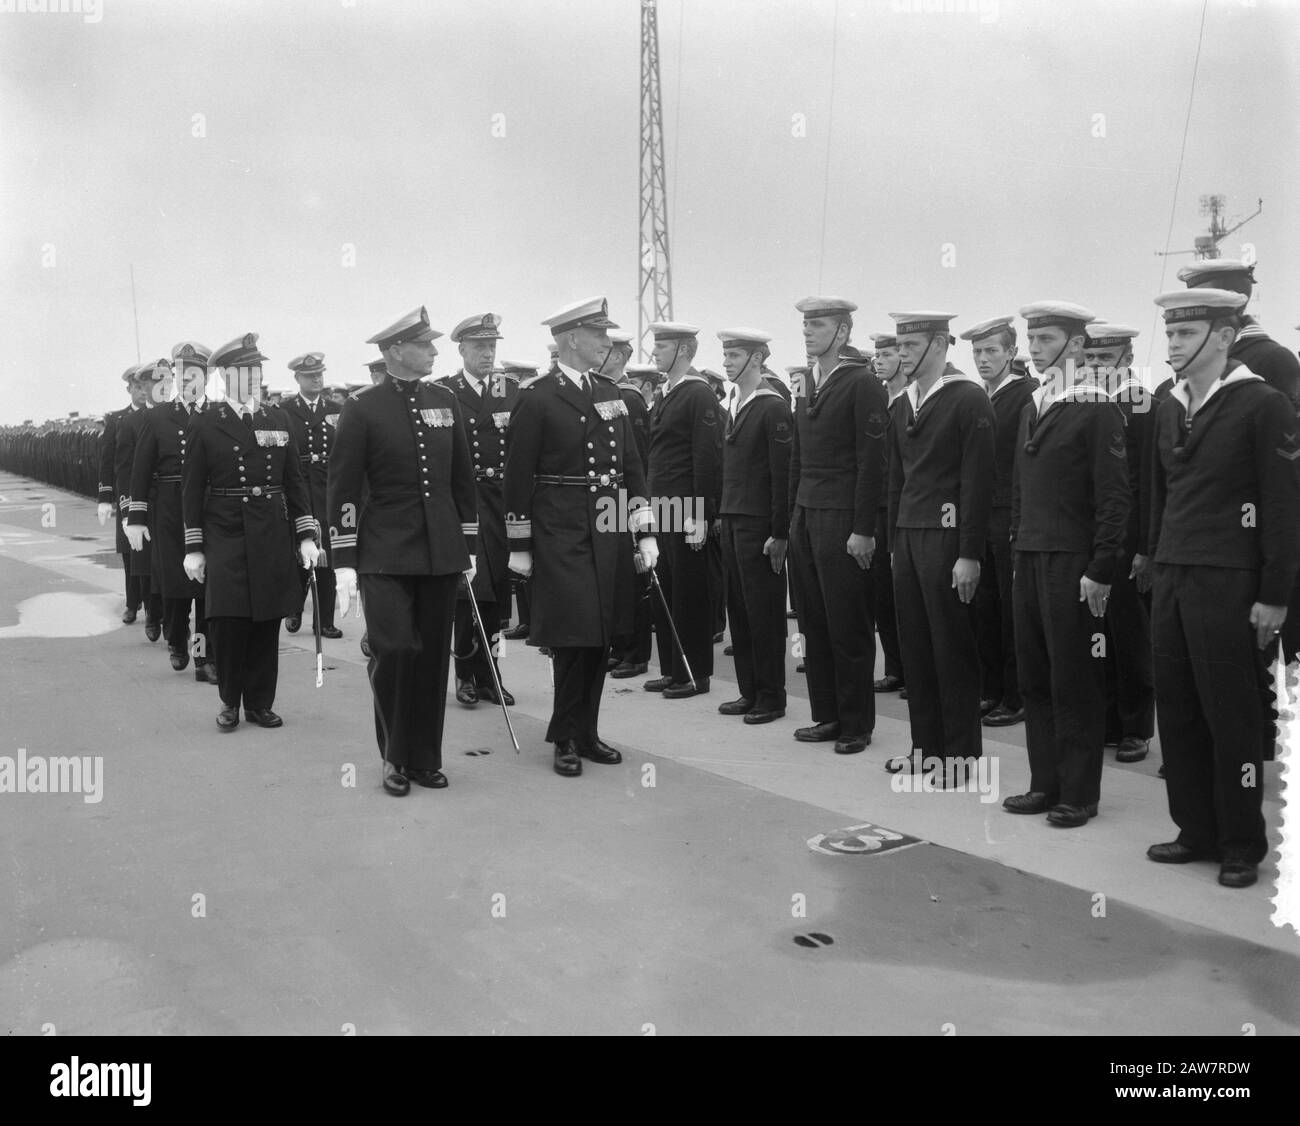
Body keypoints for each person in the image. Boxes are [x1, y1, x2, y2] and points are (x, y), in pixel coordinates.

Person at [1146, 288, 1300, 888]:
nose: (1175, 346)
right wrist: (1155, 564)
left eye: (1186, 335)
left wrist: (1275, 593)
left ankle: (1241, 842)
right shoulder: (1169, 405)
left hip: (1231, 581)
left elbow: (1283, 506)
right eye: (1172, 334)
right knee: (1179, 710)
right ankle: (1195, 830)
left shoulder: (1262, 405)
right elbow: (1160, 496)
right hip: (1174, 573)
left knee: (1231, 714)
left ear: (1224, 337)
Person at [504, 297, 658, 777]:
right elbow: (517, 476)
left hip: (608, 525)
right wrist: (520, 544)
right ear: (571, 339)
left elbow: (632, 465)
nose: (606, 345)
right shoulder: (538, 396)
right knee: (573, 635)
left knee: (601, 633)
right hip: (560, 526)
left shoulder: (609, 393)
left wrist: (645, 530)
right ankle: (565, 735)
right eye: (598, 337)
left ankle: (586, 732)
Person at [327, 307, 477, 796]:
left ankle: (424, 758)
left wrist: (468, 545)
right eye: (425, 344)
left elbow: (461, 480)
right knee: (393, 649)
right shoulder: (363, 406)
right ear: (395, 351)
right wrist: (345, 560)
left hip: (439, 550)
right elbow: (343, 487)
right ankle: (394, 754)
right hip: (384, 551)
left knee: (433, 656)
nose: (435, 351)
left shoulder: (445, 400)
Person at [1000, 302, 1129, 827]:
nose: (1035, 348)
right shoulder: (1036, 403)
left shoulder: (1096, 408)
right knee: (1034, 677)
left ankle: (1079, 793)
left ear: (1076, 345)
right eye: (1032, 339)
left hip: (1072, 561)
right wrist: (1015, 548)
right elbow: (1018, 489)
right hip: (1030, 557)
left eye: (1047, 339)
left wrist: (1100, 568)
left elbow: (1115, 498)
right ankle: (1044, 783)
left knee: (1074, 677)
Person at [181, 334, 318, 732]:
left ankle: (260, 703)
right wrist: (194, 547)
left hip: (270, 531)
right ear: (225, 375)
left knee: (266, 620)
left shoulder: (278, 418)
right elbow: (191, 488)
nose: (254, 377)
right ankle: (230, 700)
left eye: (257, 369)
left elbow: (295, 482)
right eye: (245, 371)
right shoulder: (206, 421)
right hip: (224, 530)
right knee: (229, 620)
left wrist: (305, 535)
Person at [884, 312, 995, 783]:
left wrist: (969, 552)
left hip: (948, 540)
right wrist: (893, 541)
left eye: (911, 345)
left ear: (939, 345)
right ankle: (925, 749)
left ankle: (961, 757)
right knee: (917, 649)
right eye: (901, 345)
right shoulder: (901, 403)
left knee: (951, 649)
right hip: (909, 537)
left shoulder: (967, 399)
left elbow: (978, 482)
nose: (903, 353)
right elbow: (895, 481)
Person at [787, 297, 887, 755]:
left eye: (818, 325)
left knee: (847, 623)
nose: (808, 332)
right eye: (806, 325)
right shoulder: (807, 382)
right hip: (807, 515)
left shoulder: (862, 383)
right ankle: (826, 714)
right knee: (813, 621)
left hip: (843, 518)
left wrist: (864, 528)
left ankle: (856, 724)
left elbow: (873, 463)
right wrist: (792, 519)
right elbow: (797, 457)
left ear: (843, 333)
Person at [1082, 323, 1156, 763]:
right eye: (1088, 359)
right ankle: (1110, 718)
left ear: (1127, 360)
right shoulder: (1089, 403)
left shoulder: (1143, 406)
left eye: (1104, 360)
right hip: (1097, 535)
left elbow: (1148, 482)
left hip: (1128, 537)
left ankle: (1136, 727)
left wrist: (1146, 547)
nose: (1093, 367)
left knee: (1130, 633)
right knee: (1098, 630)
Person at [126, 342, 219, 684]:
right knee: (179, 587)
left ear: (207, 376)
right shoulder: (158, 416)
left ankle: (202, 658)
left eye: (194, 373)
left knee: (207, 589)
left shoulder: (218, 414)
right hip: (170, 508)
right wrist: (135, 517)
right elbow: (140, 470)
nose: (187, 379)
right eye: (181, 373)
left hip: (210, 508)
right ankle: (177, 639)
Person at [961, 316, 1038, 727]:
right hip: (980, 514)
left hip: (1010, 514)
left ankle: (1016, 695)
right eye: (977, 352)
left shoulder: (1026, 394)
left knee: (1011, 612)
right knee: (984, 607)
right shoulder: (978, 396)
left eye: (992, 351)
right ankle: (991, 689)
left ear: (1012, 352)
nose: (984, 359)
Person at [438, 313, 517, 708]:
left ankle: (492, 675)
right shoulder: (444, 392)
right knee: (468, 592)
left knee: (498, 595)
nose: (488, 354)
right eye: (480, 347)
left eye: (493, 346)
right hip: (465, 504)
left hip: (501, 502)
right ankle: (466, 675)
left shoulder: (511, 389)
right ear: (462, 350)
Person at [716, 328, 792, 724]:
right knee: (740, 612)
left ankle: (772, 697)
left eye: (734, 356)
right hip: (733, 519)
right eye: (726, 355)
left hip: (759, 524)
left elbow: (782, 476)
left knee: (764, 614)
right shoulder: (738, 403)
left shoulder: (772, 406)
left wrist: (780, 532)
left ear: (757, 359)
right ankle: (749, 691)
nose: (727, 362)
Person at [643, 321, 721, 699]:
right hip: (661, 505)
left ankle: (695, 673)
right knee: (664, 591)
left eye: (663, 346)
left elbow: (706, 459)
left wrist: (700, 516)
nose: (655, 352)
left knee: (689, 595)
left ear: (684, 351)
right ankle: (673, 668)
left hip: (685, 507)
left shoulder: (698, 395)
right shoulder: (667, 393)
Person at [596, 333, 655, 679]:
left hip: (625, 500)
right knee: (619, 579)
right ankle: (622, 647)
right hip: (608, 500)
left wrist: (638, 508)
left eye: (605, 352)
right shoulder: (606, 392)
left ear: (618, 357)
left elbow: (637, 460)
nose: (599, 357)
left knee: (635, 578)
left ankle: (636, 653)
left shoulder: (628, 398)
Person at [281, 352, 343, 640]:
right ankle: (294, 608)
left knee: (326, 557)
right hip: (299, 488)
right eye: (309, 376)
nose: (316, 379)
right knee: (299, 553)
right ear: (297, 379)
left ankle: (325, 620)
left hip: (327, 488)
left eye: (319, 374)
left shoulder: (336, 409)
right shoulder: (285, 410)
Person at [117, 360, 168, 641]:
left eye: (166, 382)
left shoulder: (181, 415)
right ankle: (152, 613)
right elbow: (125, 471)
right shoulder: (131, 422)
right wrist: (129, 512)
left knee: (174, 563)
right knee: (148, 564)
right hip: (145, 503)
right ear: (143, 387)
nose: (161, 388)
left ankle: (175, 620)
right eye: (154, 383)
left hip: (173, 502)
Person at [868, 332, 906, 695]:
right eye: (877, 354)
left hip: (902, 508)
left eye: (888, 353)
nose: (880, 360)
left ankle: (910, 669)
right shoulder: (882, 398)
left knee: (904, 597)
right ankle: (895, 667)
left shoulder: (908, 400)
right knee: (883, 594)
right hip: (879, 506)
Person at [99, 366, 148, 624]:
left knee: (153, 552)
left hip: (154, 496)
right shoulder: (116, 420)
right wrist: (105, 498)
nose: (142, 392)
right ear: (129, 389)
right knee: (130, 551)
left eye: (144, 386)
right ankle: (132, 603)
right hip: (128, 496)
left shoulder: (159, 417)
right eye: (137, 387)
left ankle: (153, 606)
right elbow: (108, 462)